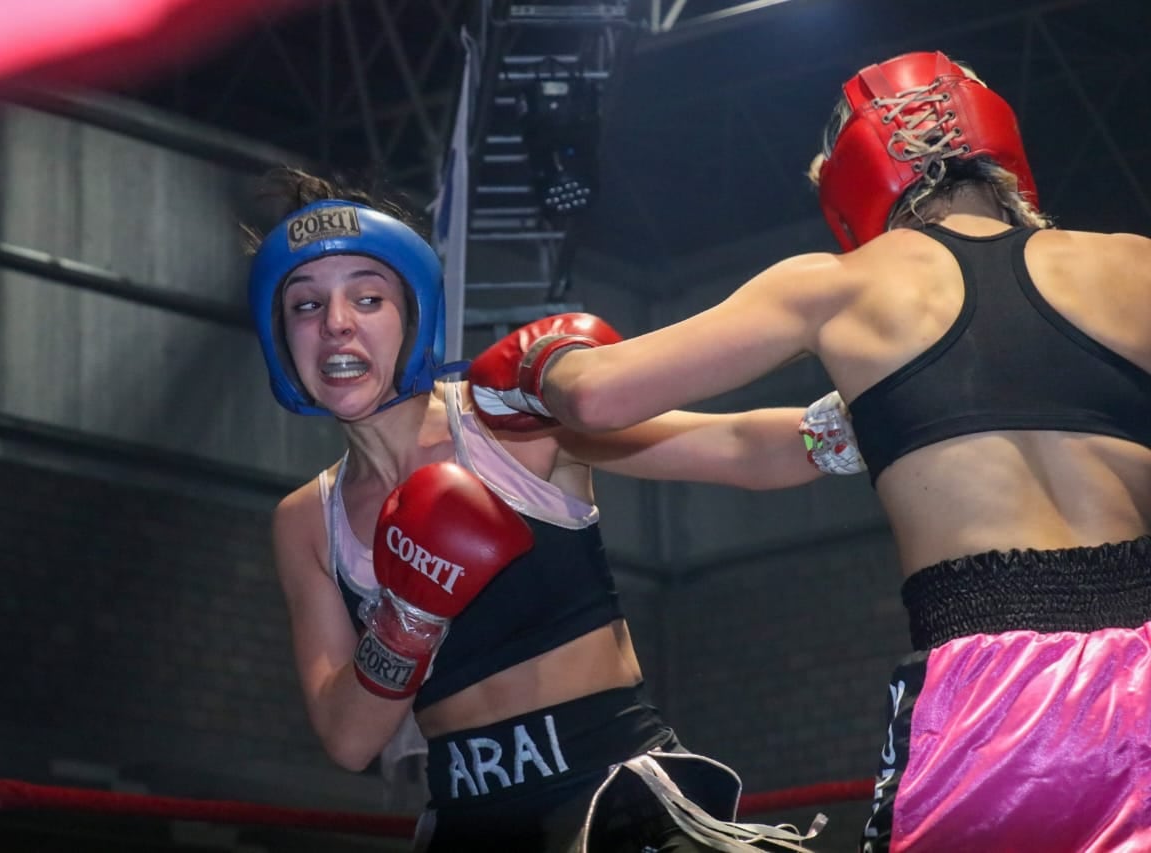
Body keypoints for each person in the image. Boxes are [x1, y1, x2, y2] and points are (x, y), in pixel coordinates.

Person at [468, 51, 1151, 853]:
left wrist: (533, 373)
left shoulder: (840, 286)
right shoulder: (1133, 266)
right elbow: (774, 445)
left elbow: (600, 395)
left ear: (853, 180)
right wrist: (563, 435)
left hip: (993, 701)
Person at [245, 168, 850, 852]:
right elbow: (349, 739)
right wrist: (407, 617)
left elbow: (736, 446)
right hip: (466, 824)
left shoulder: (506, 423)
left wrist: (881, 416)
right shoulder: (306, 520)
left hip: (612, 799)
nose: (336, 324)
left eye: (367, 297)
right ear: (280, 337)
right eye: (305, 305)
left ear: (411, 312)